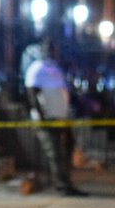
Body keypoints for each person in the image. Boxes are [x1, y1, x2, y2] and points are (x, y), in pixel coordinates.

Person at [24, 41, 85, 196]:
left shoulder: (55, 68)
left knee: (67, 150)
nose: (51, 52)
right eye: (48, 49)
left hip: (61, 118)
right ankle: (62, 185)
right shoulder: (36, 69)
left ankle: (66, 181)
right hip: (46, 119)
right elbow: (32, 94)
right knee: (55, 153)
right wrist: (41, 116)